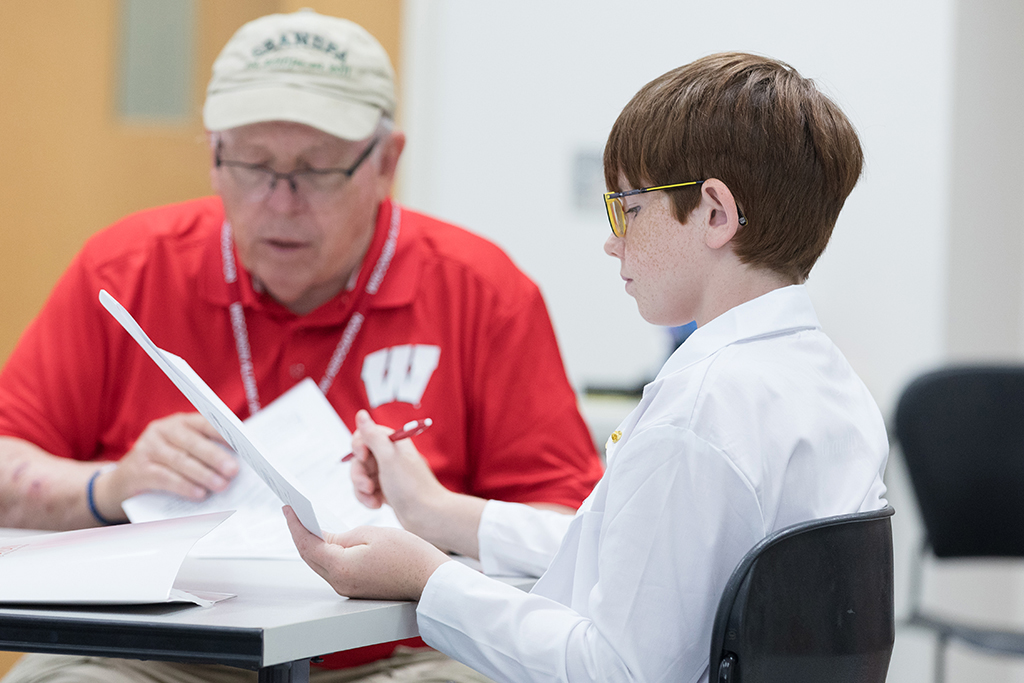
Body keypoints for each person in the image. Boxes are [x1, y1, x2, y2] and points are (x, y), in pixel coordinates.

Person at [0, 9, 602, 683]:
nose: (279, 202)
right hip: (157, 654)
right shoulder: (128, 268)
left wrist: (436, 521)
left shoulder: (481, 289)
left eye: (315, 170)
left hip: (403, 651)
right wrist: (106, 487)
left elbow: (571, 530)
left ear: (386, 163)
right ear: (213, 156)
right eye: (252, 163)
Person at [284, 52, 890, 683]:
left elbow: (613, 671)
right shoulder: (828, 386)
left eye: (626, 208)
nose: (612, 240)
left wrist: (426, 580)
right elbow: (640, 558)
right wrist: (440, 513)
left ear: (715, 213)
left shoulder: (702, 410)